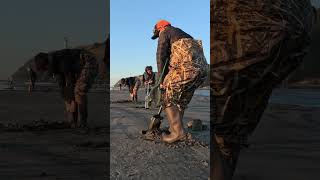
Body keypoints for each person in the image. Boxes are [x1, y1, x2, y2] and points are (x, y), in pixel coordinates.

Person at [211, 0, 314, 179]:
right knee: (232, 130)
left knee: (219, 120)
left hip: (251, 16)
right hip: (298, 20)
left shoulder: (167, 33)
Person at [151, 20, 208, 143]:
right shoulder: (184, 34)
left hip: (186, 70)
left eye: (157, 34)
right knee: (181, 99)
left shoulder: (164, 32)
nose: (158, 36)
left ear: (160, 28)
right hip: (202, 71)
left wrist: (161, 79)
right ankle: (175, 127)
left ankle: (178, 133)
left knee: (166, 95)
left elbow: (161, 56)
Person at [34, 48, 98, 128]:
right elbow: (62, 87)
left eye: (45, 68)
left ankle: (82, 122)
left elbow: (70, 82)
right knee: (68, 94)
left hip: (88, 61)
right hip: (79, 66)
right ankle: (73, 121)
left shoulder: (61, 60)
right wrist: (68, 102)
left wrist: (71, 103)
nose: (46, 71)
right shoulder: (55, 66)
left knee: (78, 91)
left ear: (47, 64)